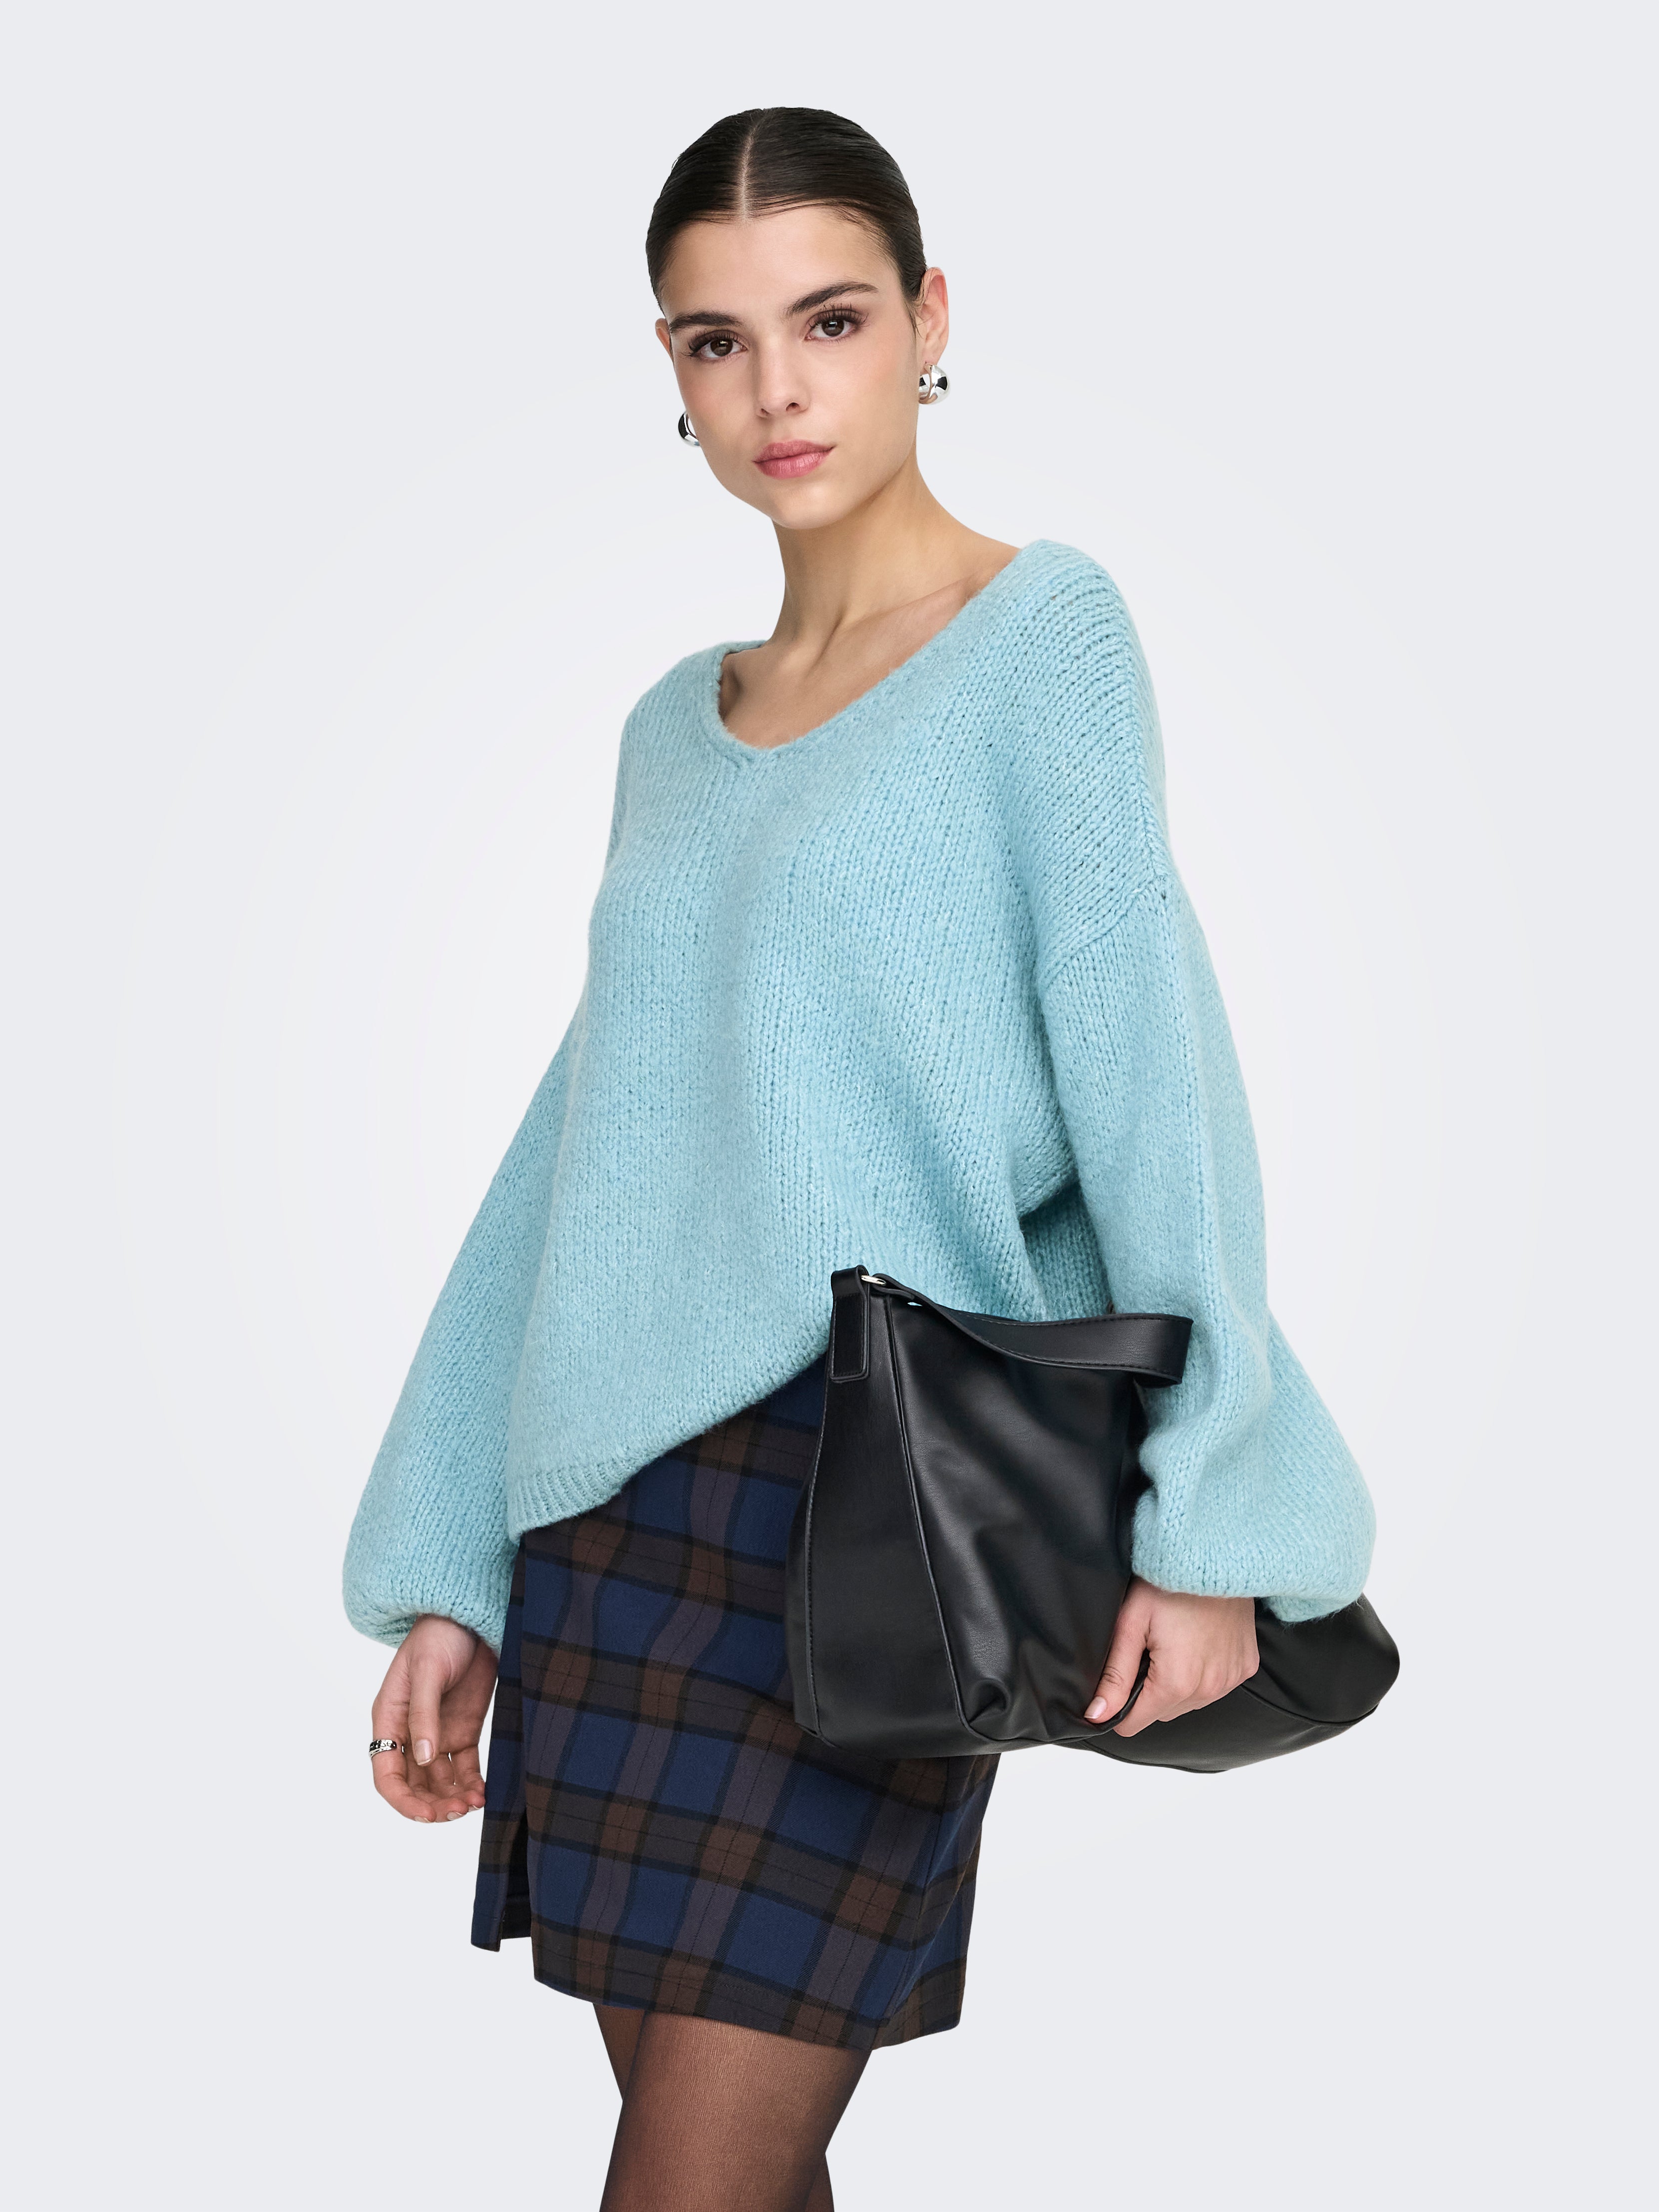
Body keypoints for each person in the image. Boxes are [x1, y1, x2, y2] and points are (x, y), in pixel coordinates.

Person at [344, 106, 1376, 2212]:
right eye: (717, 341)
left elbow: (1153, 1075)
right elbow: (584, 1147)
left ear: (928, 319)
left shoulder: (1043, 639)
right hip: (622, 1531)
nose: (779, 389)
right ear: (672, 370)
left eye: (827, 320)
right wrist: (453, 1559)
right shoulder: (674, 723)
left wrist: (1210, 1509)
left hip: (873, 1522)